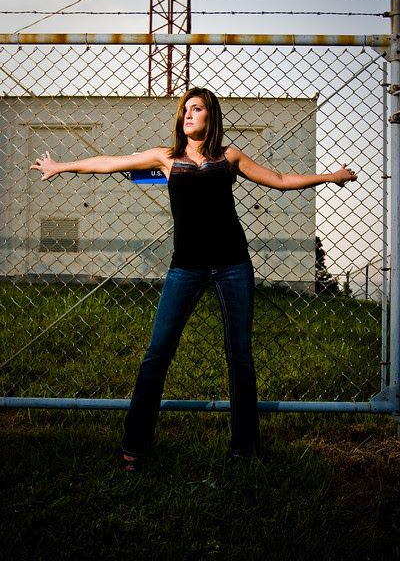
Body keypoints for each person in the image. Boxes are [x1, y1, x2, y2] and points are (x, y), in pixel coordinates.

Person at [31, 87, 357, 471]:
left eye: (196, 108)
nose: (188, 114)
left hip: (233, 264)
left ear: (210, 116)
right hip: (186, 266)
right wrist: (61, 166)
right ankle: (134, 446)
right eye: (185, 109)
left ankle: (244, 449)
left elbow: (280, 178)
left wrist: (331, 177)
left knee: (240, 356)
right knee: (157, 355)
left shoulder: (229, 157)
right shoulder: (167, 157)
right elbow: (110, 162)